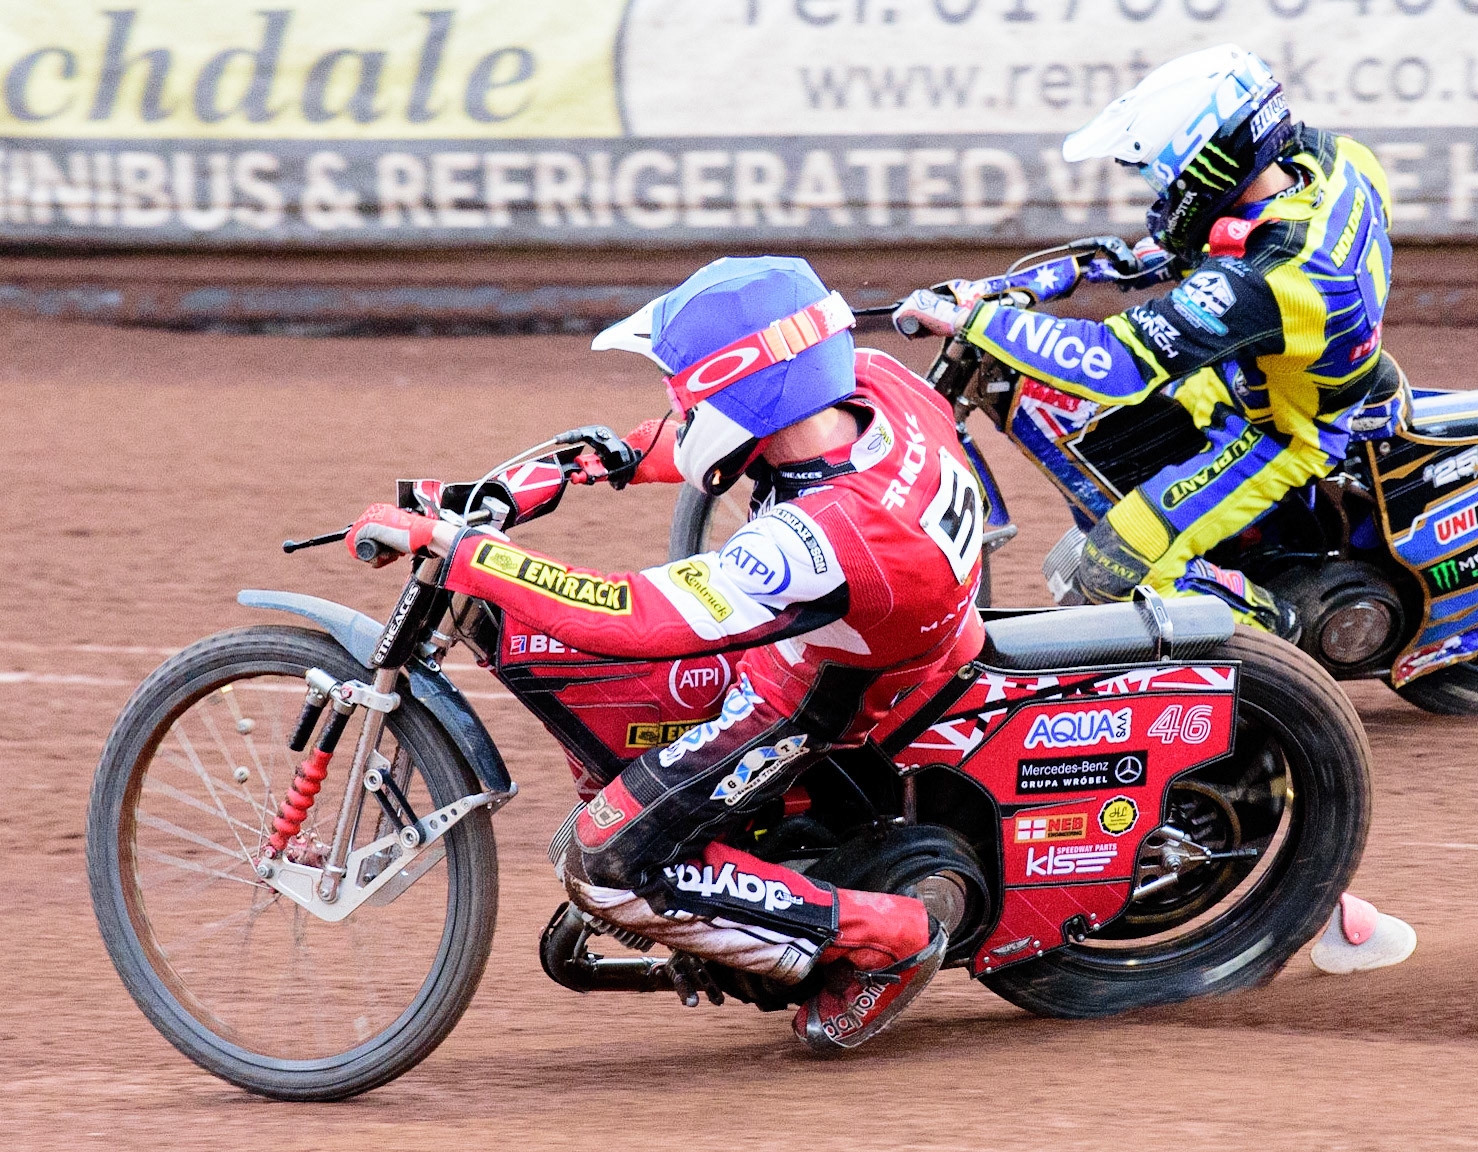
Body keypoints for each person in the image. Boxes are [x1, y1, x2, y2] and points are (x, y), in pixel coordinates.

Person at [345, 256, 984, 1050]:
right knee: (619, 718)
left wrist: (465, 550)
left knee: (602, 861)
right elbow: (702, 442)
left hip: (819, 692)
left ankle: (889, 935)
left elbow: (632, 617)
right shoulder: (871, 383)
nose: (678, 403)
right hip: (893, 634)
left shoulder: (813, 537)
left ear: (743, 390)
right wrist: (576, 465)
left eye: (687, 388)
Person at [894, 43, 1403, 643]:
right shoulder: (1337, 160)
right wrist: (1028, 285)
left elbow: (1115, 362)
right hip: (1269, 368)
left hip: (1286, 432)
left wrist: (975, 322)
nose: (1156, 192)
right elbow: (1197, 251)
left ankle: (1284, 632)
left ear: (1209, 162)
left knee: (1109, 568)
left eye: (1159, 174)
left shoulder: (1277, 273)